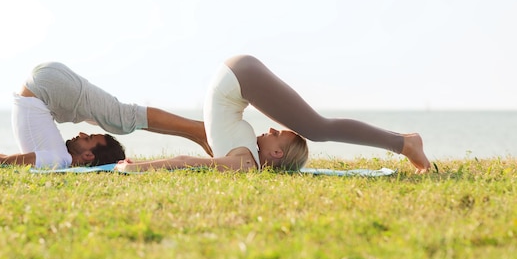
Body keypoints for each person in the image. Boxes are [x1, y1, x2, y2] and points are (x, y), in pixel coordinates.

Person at [115, 55, 431, 174]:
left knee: (317, 130)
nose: (268, 130)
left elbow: (189, 162)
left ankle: (405, 143)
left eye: (275, 134)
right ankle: (404, 143)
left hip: (238, 77)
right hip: (239, 77)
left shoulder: (245, 163)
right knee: (317, 130)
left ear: (277, 152)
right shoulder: (247, 157)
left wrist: (138, 168)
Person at [0, 62, 211, 168]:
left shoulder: (56, 157)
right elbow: (8, 162)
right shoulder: (57, 158)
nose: (80, 133)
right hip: (48, 87)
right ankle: (199, 130)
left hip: (46, 88)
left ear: (88, 156)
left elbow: (8, 160)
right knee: (121, 119)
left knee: (117, 119)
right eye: (89, 136)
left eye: (88, 138)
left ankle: (199, 132)